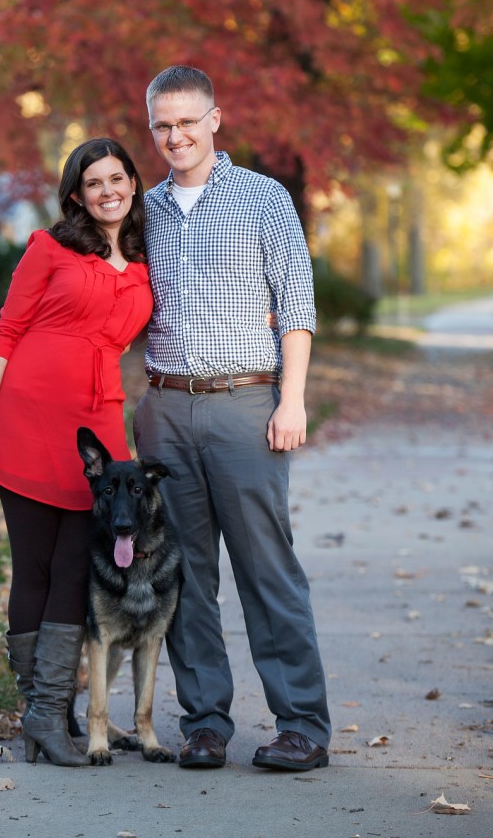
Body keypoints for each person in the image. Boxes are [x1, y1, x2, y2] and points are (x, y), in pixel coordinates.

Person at [133, 65, 331, 771]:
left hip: (247, 405)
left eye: (188, 121)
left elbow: (298, 307)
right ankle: (205, 722)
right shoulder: (142, 211)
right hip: (164, 408)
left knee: (265, 568)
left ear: (215, 119)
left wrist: (293, 400)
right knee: (182, 574)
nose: (176, 135)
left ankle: (302, 724)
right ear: (152, 126)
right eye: (163, 124)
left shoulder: (263, 198)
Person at [0, 137, 152, 767]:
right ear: (76, 194)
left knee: (79, 570)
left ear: (132, 183)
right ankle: (43, 716)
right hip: (30, 414)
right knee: (35, 567)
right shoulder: (50, 247)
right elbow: (6, 333)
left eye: (117, 178)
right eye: (94, 182)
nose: (108, 191)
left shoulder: (149, 260)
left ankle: (49, 715)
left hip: (98, 421)